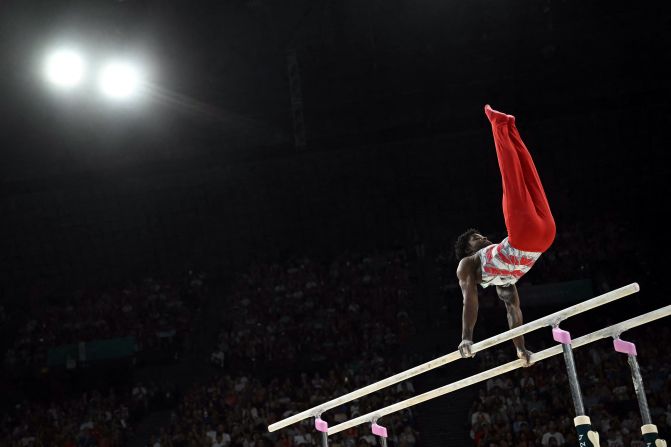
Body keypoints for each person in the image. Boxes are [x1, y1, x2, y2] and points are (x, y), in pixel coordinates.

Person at [455, 105, 556, 366]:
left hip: (534, 238)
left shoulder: (502, 282)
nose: (483, 237)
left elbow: (513, 310)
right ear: (469, 251)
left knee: (528, 175)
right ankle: (498, 125)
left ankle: (509, 128)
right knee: (511, 177)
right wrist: (467, 337)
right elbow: (470, 298)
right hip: (537, 239)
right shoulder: (469, 264)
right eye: (476, 238)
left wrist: (520, 349)